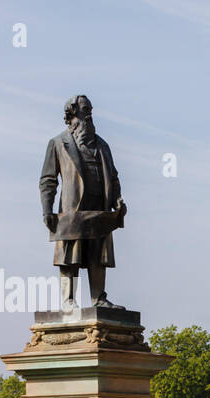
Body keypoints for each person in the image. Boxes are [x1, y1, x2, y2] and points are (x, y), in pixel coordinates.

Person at [39, 94, 127, 311]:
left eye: (90, 110)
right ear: (72, 113)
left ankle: (99, 298)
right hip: (72, 210)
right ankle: (68, 300)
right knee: (70, 256)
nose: (89, 115)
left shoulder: (102, 145)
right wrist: (47, 210)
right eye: (85, 110)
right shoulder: (58, 143)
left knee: (99, 254)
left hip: (100, 208)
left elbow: (113, 176)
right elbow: (48, 180)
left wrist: (116, 200)